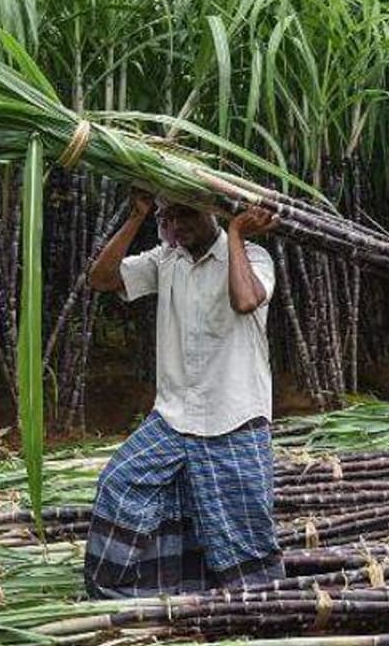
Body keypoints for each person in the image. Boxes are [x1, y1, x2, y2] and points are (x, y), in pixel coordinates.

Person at [83, 191, 283, 597]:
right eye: (168, 217)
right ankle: (131, 595)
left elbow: (245, 300)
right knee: (119, 484)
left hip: (234, 416)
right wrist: (137, 215)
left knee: (242, 530)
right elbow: (100, 280)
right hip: (174, 417)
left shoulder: (253, 258)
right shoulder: (166, 259)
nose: (176, 226)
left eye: (186, 213)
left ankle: (259, 606)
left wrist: (237, 232)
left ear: (211, 210)